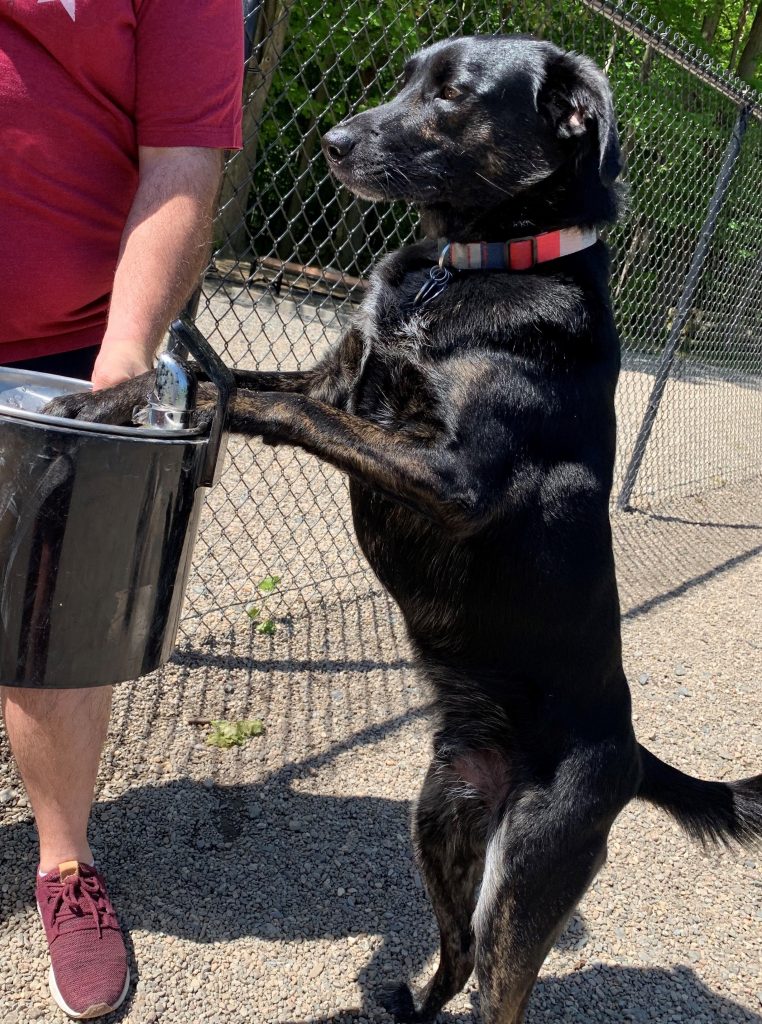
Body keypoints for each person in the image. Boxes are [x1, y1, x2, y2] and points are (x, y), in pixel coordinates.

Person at [0, 1, 243, 1017]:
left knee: (54, 635)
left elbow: (183, 158)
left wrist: (125, 356)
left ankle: (65, 864)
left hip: (67, 352)